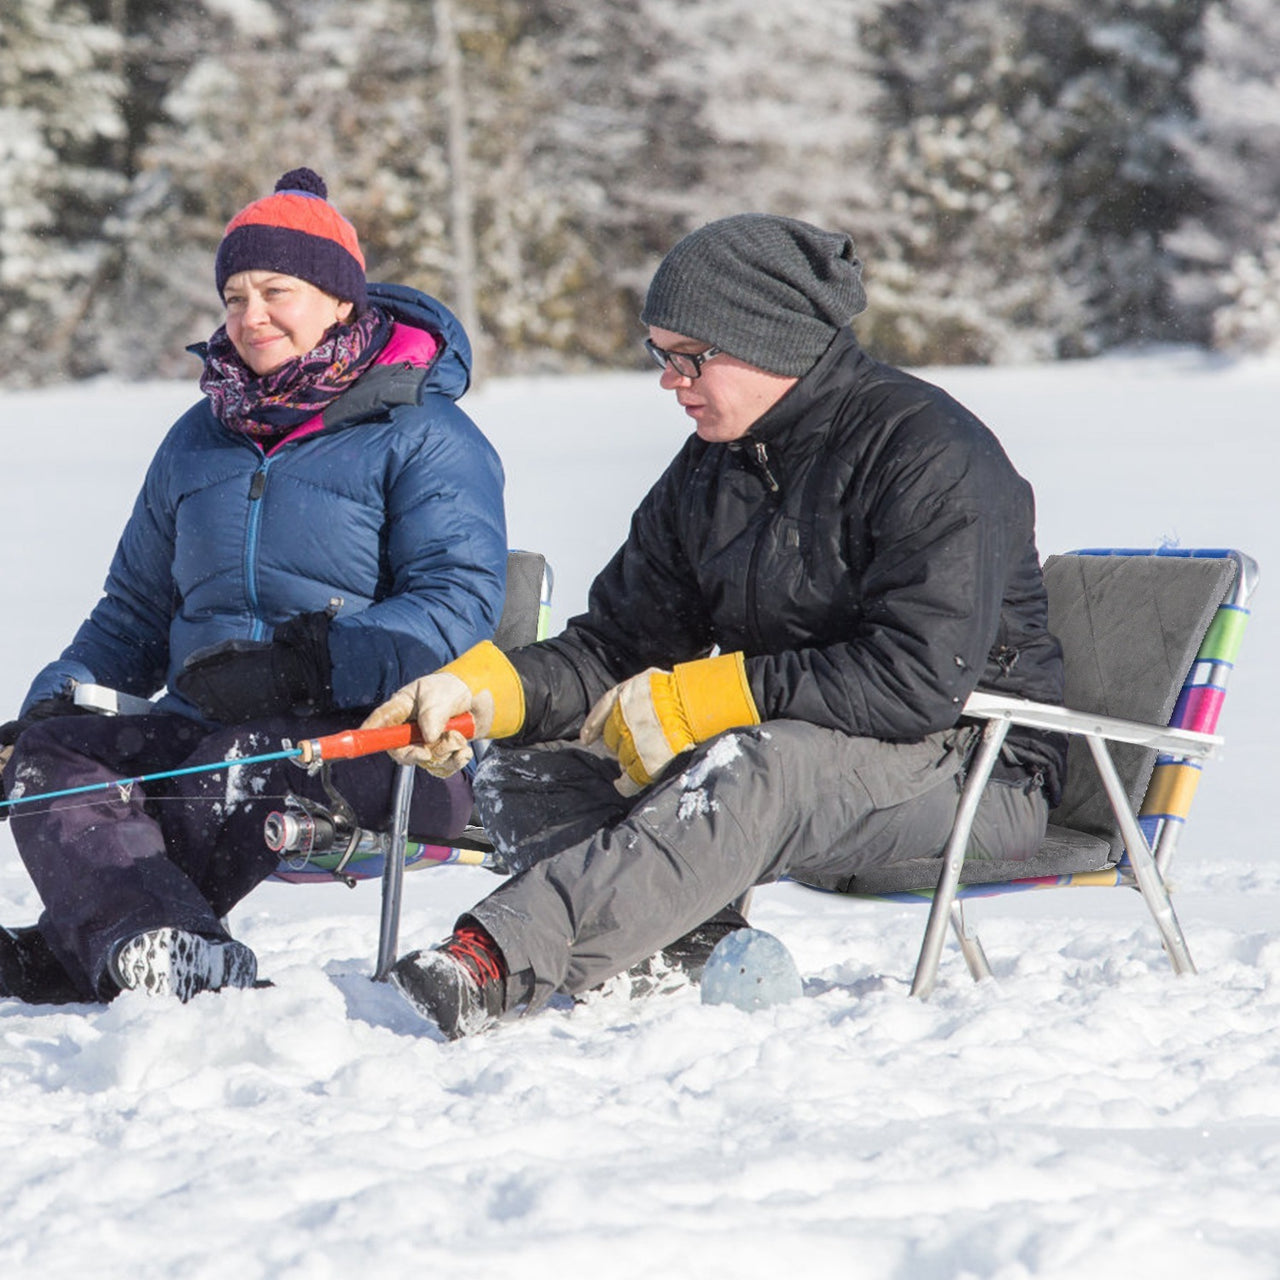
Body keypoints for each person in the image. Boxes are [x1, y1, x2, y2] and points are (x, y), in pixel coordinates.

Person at [362, 213, 1068, 1039]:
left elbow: (915, 681)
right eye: (662, 356)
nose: (671, 380)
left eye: (691, 356)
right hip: (804, 754)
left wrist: (708, 698)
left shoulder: (931, 453)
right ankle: (688, 954)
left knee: (753, 761)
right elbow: (620, 643)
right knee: (532, 764)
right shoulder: (714, 465)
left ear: (770, 340)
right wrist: (488, 690)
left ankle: (497, 958)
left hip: (977, 764)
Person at [0, 168, 506, 1005]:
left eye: (277, 290)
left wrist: (309, 667)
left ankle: (94, 947)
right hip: (208, 726)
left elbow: (455, 605)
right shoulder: (198, 440)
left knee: (237, 762)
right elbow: (133, 613)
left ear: (342, 301)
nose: (250, 315)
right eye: (234, 295)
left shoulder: (424, 434)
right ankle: (158, 946)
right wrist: (58, 701)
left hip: (380, 742)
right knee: (57, 762)